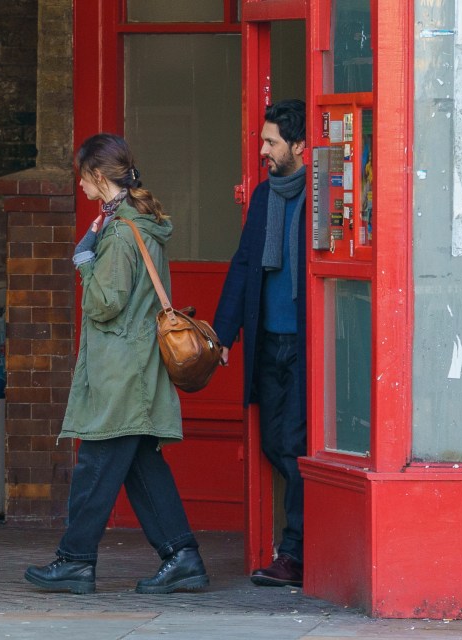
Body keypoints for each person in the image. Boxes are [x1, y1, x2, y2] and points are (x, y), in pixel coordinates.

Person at [24, 133, 208, 595]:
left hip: (121, 370)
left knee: (96, 465)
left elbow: (106, 303)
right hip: (134, 366)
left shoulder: (122, 234)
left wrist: (84, 263)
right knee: (142, 466)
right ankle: (181, 557)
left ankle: (74, 561)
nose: (80, 186)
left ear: (98, 177)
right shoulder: (132, 223)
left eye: (83, 177)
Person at [213, 99, 307, 587]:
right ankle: (301, 545)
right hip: (268, 342)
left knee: (294, 445)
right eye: (263, 141)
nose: (264, 151)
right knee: (275, 443)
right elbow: (244, 265)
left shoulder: (320, 194)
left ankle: (295, 552)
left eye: (271, 142)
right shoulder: (266, 198)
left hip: (309, 346)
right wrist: (223, 334)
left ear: (299, 145)